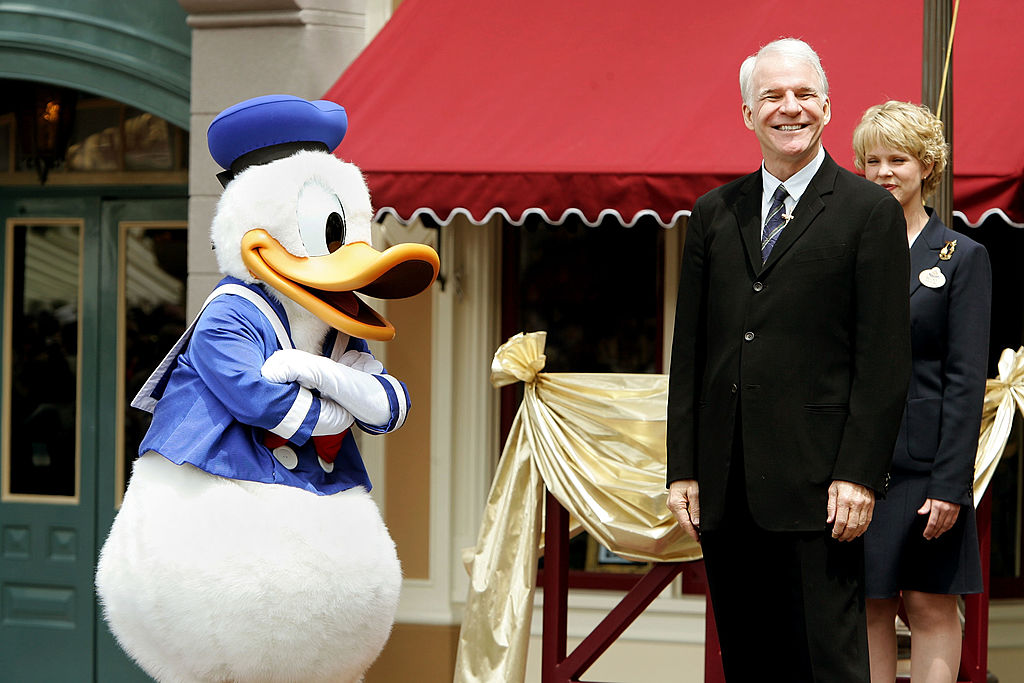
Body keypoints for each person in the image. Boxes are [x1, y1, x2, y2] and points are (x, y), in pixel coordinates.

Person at [666, 38, 911, 682]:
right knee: (751, 662)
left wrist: (859, 475)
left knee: (827, 664)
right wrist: (683, 469)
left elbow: (883, 359)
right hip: (726, 486)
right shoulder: (715, 213)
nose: (789, 108)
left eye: (803, 95)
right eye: (771, 96)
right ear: (748, 115)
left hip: (822, 487)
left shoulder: (870, 213)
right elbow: (689, 351)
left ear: (827, 107)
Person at [852, 100, 990, 683]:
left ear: (927, 167)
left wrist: (951, 484)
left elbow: (965, 380)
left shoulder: (962, 258)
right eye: (873, 160)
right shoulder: (843, 253)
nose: (884, 172)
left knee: (930, 603)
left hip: (927, 466)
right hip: (855, 464)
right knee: (867, 606)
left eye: (898, 159)